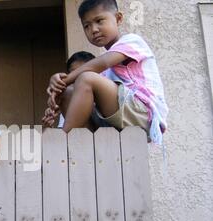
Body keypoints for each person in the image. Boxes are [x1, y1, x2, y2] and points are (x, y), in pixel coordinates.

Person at [44, 0, 168, 144]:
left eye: (99, 21)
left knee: (86, 78)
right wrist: (58, 87)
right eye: (87, 26)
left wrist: (64, 80)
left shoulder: (132, 41)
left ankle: (61, 143)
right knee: (68, 92)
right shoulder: (105, 73)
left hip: (143, 114)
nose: (94, 30)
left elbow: (102, 63)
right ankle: (85, 145)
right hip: (117, 121)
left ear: (118, 18)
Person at [42, 51, 96, 128]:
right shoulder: (67, 101)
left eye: (84, 74)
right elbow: (65, 134)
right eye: (75, 75)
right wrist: (49, 127)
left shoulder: (101, 97)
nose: (80, 79)